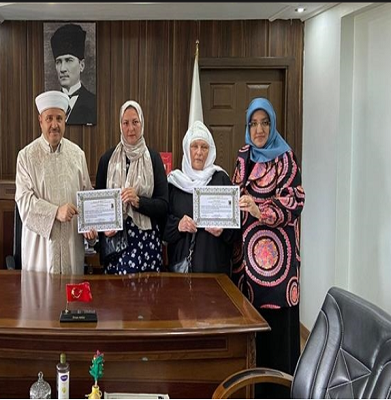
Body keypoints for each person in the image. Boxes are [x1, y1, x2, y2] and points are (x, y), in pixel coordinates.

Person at [232, 97, 305, 398]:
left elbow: (295, 202)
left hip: (277, 269)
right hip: (246, 267)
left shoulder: (286, 158)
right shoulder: (243, 155)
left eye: (264, 123)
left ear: (272, 124)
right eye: (253, 123)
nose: (259, 129)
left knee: (275, 337)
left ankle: (277, 392)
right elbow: (234, 195)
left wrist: (260, 210)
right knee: (252, 335)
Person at [15, 90, 95, 274]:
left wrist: (91, 228)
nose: (54, 125)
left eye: (59, 118)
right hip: (40, 252)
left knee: (71, 291)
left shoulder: (77, 155)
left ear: (65, 120)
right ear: (40, 121)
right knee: (40, 292)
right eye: (49, 118)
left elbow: (87, 198)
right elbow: (24, 203)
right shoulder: (26, 157)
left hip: (71, 248)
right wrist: (56, 212)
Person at [95, 100, 168, 274]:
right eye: (126, 123)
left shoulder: (153, 159)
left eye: (135, 122)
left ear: (142, 123)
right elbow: (98, 207)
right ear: (120, 125)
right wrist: (104, 230)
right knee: (116, 291)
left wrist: (138, 201)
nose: (131, 128)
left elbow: (164, 206)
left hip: (147, 244)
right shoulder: (107, 159)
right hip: (116, 244)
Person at [164, 120, 236, 274]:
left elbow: (235, 231)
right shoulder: (174, 183)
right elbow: (162, 227)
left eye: (204, 147)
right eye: (194, 146)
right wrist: (178, 225)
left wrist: (223, 230)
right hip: (182, 270)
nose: (199, 152)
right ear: (186, 149)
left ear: (210, 151)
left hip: (215, 270)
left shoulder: (221, 180)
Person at [50, 23, 96, 125]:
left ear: (81, 65)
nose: (62, 69)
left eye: (68, 60)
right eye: (58, 62)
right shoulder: (50, 104)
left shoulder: (93, 103)